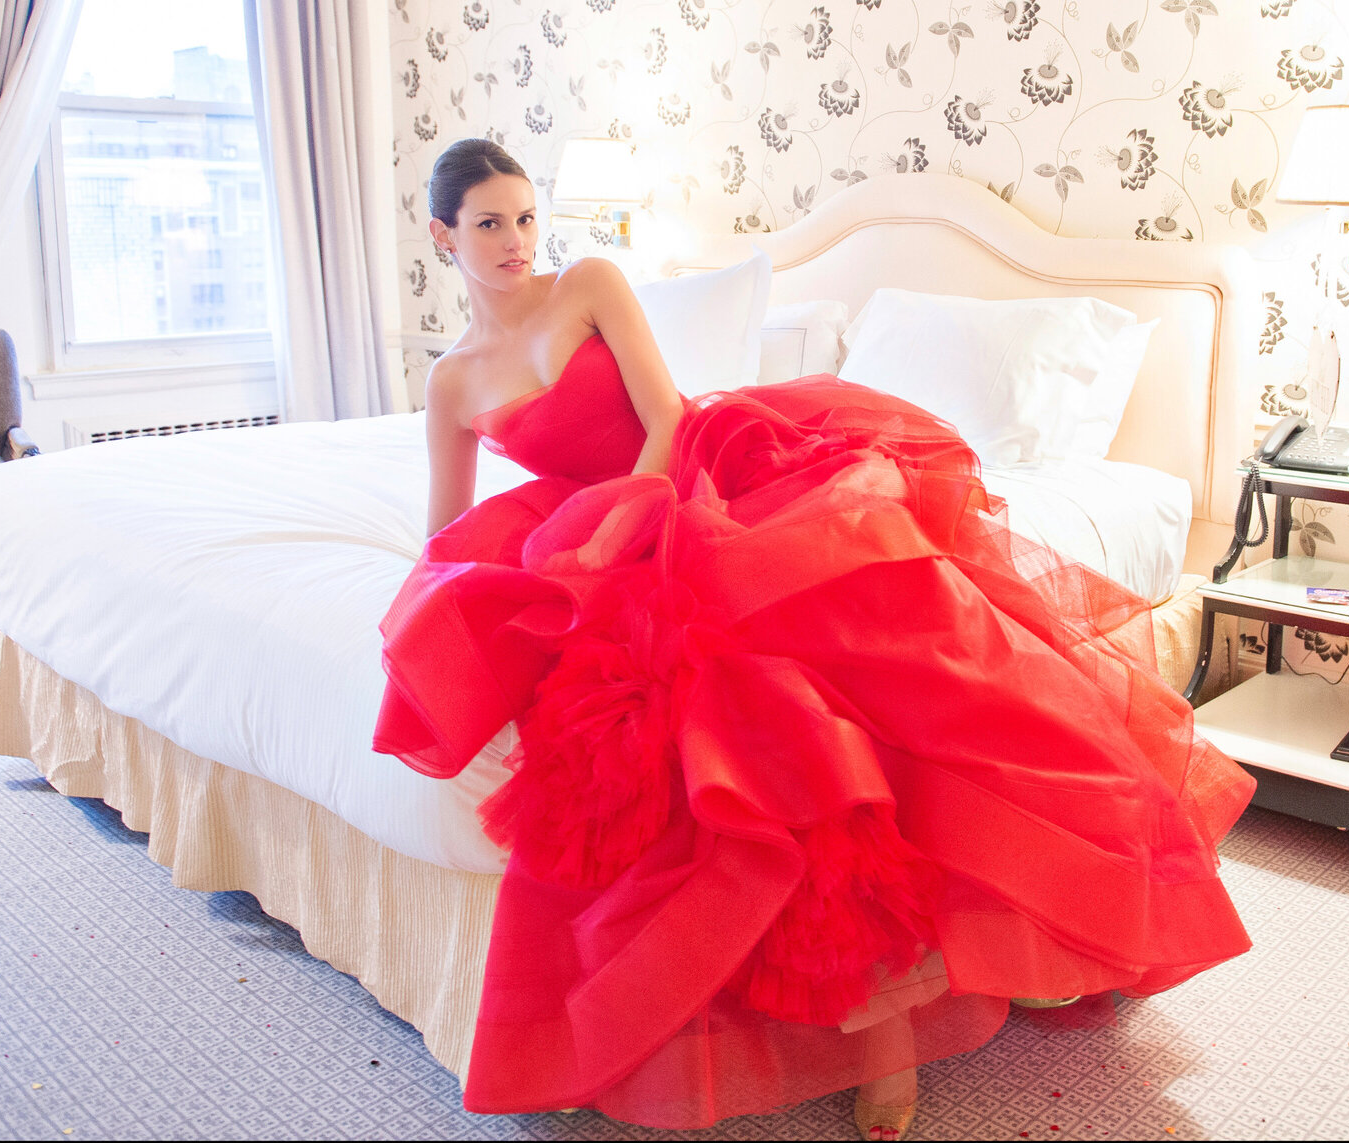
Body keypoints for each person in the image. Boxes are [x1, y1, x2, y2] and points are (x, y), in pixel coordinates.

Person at [374, 138, 1256, 1140]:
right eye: (488, 225)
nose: (514, 243)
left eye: (525, 217)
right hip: (590, 527)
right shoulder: (453, 381)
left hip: (693, 475)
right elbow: (444, 526)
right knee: (650, 715)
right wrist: (441, 604)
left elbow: (661, 415)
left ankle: (892, 1033)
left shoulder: (589, 282)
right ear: (443, 235)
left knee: (834, 653)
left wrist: (631, 524)